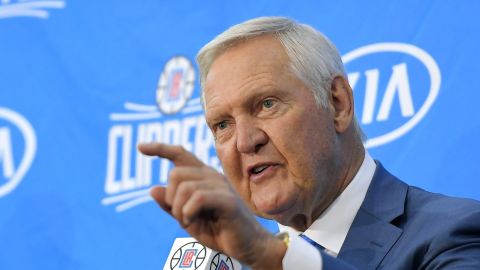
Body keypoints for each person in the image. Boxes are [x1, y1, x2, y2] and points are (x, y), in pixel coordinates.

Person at [138, 17, 480, 269]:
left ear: (337, 103)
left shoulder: (454, 232)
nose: (244, 141)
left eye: (267, 104)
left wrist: (273, 257)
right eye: (223, 124)